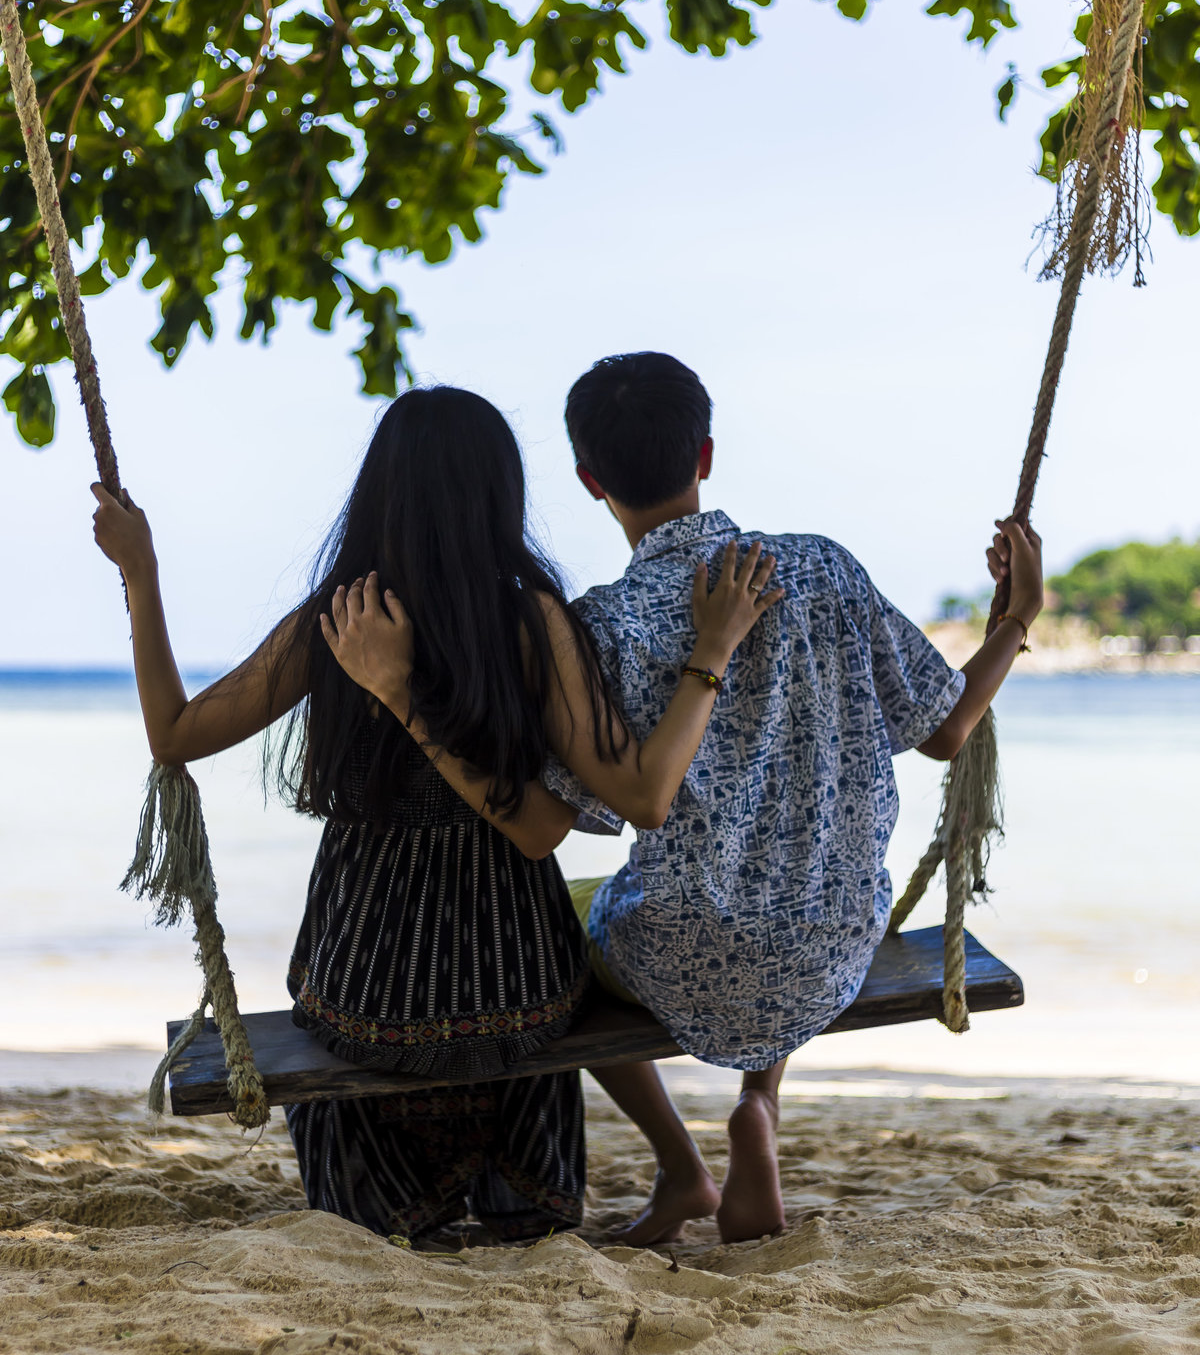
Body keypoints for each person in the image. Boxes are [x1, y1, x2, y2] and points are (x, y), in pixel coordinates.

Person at [90, 385, 778, 1244]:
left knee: (335, 1017)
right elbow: (542, 831)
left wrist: (142, 575)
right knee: (567, 967)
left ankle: (388, 1196)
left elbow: (176, 734)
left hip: (365, 993)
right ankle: (532, 1188)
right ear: (501, 494)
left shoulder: (338, 619)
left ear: (381, 489)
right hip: (520, 990)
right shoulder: (533, 621)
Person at [546, 352, 1045, 1246]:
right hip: (832, 940)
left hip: (683, 949)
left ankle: (678, 1165)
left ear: (589, 480)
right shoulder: (822, 569)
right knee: (786, 860)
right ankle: (760, 1107)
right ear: (705, 456)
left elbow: (577, 807)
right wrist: (1014, 620)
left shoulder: (601, 626)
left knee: (555, 929)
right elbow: (944, 730)